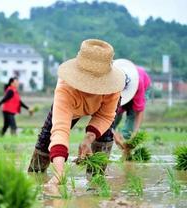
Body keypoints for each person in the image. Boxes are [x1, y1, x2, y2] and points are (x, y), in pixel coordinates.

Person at [27, 39, 126, 185]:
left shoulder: (113, 87)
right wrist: (59, 175)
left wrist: (88, 139)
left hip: (102, 112)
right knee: (46, 139)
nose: (91, 89)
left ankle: (96, 184)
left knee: (104, 140)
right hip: (71, 108)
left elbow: (105, 117)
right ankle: (36, 177)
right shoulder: (65, 88)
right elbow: (60, 130)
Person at [112, 59, 151, 146]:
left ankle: (127, 148)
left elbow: (139, 111)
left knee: (132, 116)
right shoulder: (111, 84)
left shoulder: (138, 84)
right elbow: (105, 115)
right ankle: (110, 135)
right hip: (118, 90)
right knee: (115, 115)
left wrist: (135, 132)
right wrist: (113, 133)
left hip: (143, 86)